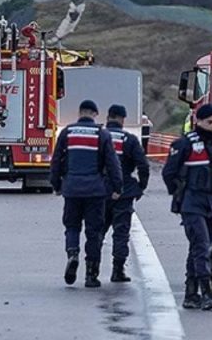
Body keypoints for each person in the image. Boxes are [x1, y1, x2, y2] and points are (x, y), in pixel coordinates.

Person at [50, 99, 123, 288]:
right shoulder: (101, 134)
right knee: (94, 232)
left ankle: (72, 253)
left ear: (80, 112)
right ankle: (91, 275)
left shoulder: (67, 132)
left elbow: (56, 160)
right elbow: (112, 163)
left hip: (72, 189)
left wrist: (56, 184)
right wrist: (117, 187)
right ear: (94, 114)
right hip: (95, 191)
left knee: (72, 226)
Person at [163, 104, 212, 311]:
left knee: (200, 247)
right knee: (200, 245)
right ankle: (207, 292)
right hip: (191, 202)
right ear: (198, 122)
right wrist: (179, 195)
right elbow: (168, 173)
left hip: (211, 203)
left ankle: (191, 294)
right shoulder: (184, 144)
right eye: (209, 122)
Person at [102, 104, 150, 283]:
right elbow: (143, 165)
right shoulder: (129, 140)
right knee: (121, 232)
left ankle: (91, 272)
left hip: (100, 191)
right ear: (122, 119)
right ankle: (117, 270)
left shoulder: (99, 137)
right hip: (124, 191)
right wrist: (140, 187)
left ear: (108, 117)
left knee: (97, 231)